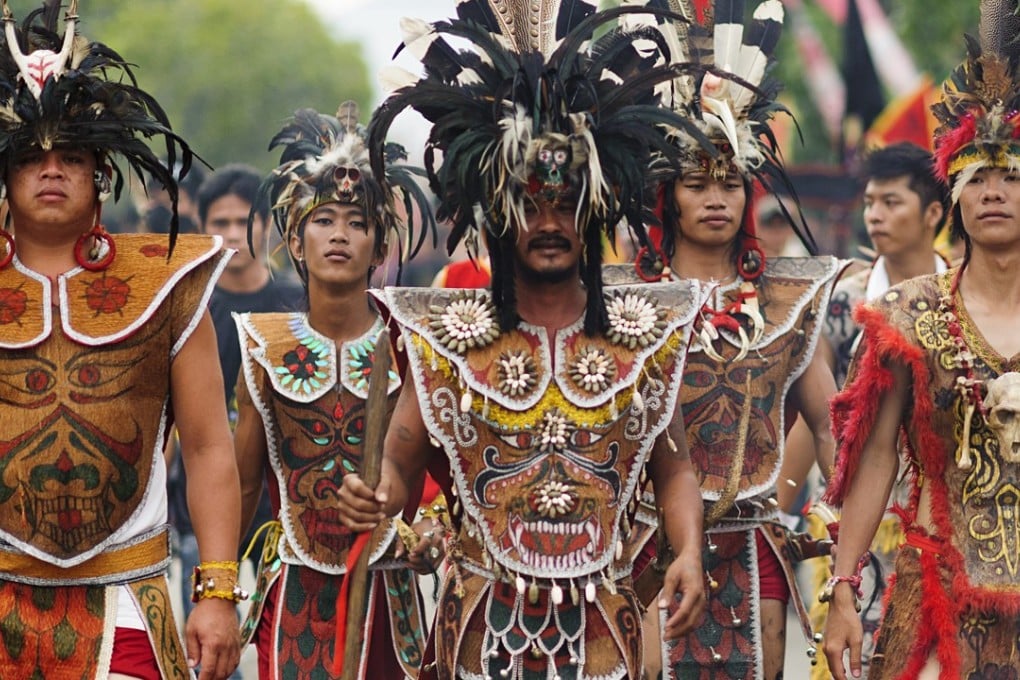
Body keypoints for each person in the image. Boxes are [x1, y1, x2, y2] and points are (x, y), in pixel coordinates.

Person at [337, 3, 710, 679]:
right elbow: (398, 461)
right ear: (497, 214)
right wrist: (378, 495)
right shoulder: (445, 339)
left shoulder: (646, 336)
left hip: (606, 634)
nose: (548, 222)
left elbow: (675, 465)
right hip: (480, 628)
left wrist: (689, 550)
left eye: (566, 205)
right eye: (529, 203)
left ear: (593, 211)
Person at [0, 3, 241, 680]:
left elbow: (205, 443)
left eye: (71, 155)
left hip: (128, 601)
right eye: (32, 157)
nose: (52, 170)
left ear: (100, 176)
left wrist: (218, 591)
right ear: (6, 176)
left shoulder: (165, 280)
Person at [614, 2, 845, 678]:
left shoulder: (788, 299)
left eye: (729, 183)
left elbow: (833, 434)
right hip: (643, 545)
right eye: (696, 183)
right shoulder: (621, 301)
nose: (716, 198)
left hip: (755, 546)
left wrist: (851, 556)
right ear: (668, 197)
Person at [823, 3, 1020, 678]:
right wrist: (844, 588)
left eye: (1012, 176)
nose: (994, 192)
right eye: (978, 177)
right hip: (934, 600)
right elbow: (875, 457)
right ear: (954, 197)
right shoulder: (909, 312)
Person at [231, 102, 441, 679]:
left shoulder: (415, 347)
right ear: (296, 243)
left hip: (388, 595)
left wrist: (428, 534)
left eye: (358, 223)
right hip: (294, 595)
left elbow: (448, 478)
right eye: (323, 221)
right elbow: (244, 481)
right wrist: (216, 589)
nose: (340, 235)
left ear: (380, 248)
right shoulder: (264, 345)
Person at [792, 143, 949, 680]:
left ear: (933, 212)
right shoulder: (840, 299)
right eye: (869, 203)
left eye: (891, 201)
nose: (875, 215)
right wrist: (778, 504)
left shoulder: (967, 297)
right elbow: (812, 411)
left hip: (935, 521)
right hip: (849, 517)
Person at [167, 165, 302, 625]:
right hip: (200, 517)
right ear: (202, 229)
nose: (231, 234)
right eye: (219, 224)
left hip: (283, 519)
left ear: (264, 225)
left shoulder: (298, 308)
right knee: (205, 658)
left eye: (242, 222)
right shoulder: (185, 311)